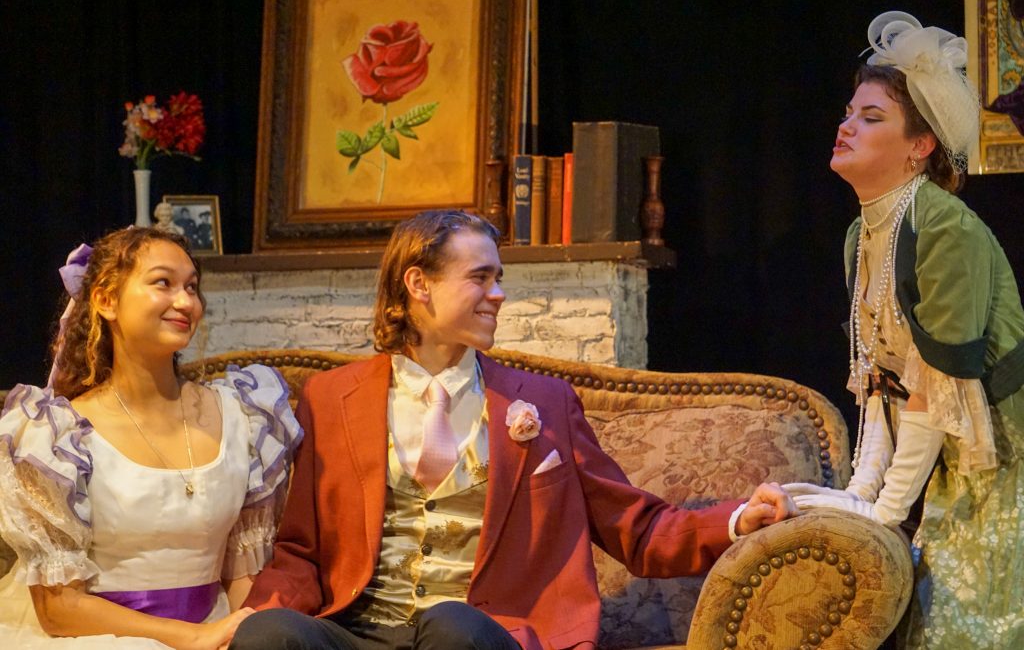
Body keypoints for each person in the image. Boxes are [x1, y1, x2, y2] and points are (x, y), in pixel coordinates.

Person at [230, 209, 797, 650]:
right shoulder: (332, 397)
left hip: (480, 633)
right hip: (359, 629)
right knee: (268, 635)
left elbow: (637, 529)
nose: (498, 294)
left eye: (498, 278)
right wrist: (251, 617)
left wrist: (737, 519)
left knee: (450, 626)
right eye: (480, 278)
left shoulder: (545, 402)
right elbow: (301, 549)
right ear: (419, 284)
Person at [784, 12, 1024, 647]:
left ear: (920, 146)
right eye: (849, 113)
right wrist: (861, 493)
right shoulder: (860, 236)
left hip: (1003, 460)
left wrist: (884, 511)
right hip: (943, 462)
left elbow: (936, 383)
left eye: (871, 117)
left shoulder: (944, 226)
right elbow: (880, 380)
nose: (846, 126)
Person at [0, 227, 303, 649]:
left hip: (213, 626)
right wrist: (190, 638)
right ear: (106, 301)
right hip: (101, 638)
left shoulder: (243, 416)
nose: (186, 302)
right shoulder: (55, 437)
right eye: (163, 283)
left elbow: (243, 574)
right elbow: (58, 609)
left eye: (192, 287)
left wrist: (245, 637)